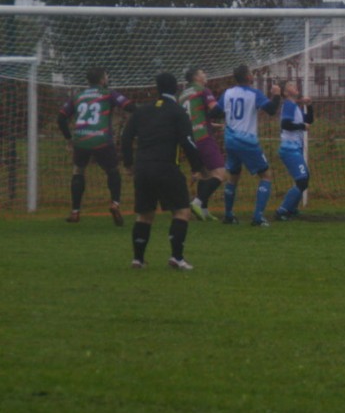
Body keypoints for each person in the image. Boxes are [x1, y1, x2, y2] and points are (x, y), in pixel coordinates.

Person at [121, 72, 206, 270]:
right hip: (166, 167)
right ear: (175, 88)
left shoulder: (141, 111)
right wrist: (197, 167)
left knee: (144, 215)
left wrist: (128, 163)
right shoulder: (177, 112)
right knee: (181, 211)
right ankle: (177, 257)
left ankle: (138, 259)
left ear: (157, 88)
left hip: (143, 168)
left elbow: (126, 137)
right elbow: (188, 141)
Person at [57, 66, 135, 225]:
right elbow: (129, 106)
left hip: (81, 140)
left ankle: (75, 212)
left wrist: (69, 138)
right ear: (102, 79)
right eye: (106, 76)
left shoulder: (77, 96)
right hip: (102, 139)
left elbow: (60, 118)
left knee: (78, 172)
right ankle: (115, 204)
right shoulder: (109, 93)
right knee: (113, 171)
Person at [218, 64, 281, 227]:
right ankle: (258, 217)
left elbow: (216, 112)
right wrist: (276, 95)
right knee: (266, 175)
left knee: (233, 176)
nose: (253, 75)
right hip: (247, 142)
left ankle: (228, 215)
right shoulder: (254, 93)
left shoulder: (228, 93)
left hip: (230, 141)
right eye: (251, 73)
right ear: (248, 77)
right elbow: (271, 110)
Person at [179, 67, 227, 221]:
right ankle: (197, 203)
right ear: (196, 77)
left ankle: (204, 210)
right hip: (203, 137)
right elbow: (216, 110)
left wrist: (212, 124)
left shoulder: (182, 95)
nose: (205, 75)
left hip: (189, 140)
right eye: (202, 73)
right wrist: (228, 113)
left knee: (205, 174)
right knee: (220, 173)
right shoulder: (203, 91)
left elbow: (193, 117)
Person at [274, 80, 313, 221]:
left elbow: (309, 120)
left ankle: (292, 209)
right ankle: (282, 210)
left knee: (304, 178)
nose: (294, 85)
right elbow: (285, 124)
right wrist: (302, 126)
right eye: (290, 85)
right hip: (289, 148)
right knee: (302, 180)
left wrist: (309, 106)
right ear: (285, 93)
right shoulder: (288, 105)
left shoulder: (295, 106)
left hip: (295, 148)